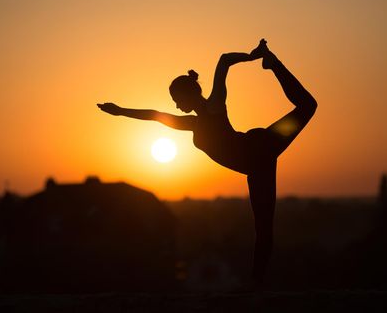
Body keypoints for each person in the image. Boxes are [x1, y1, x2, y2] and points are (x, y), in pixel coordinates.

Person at [98, 39, 317, 284]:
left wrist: (253, 56)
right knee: (262, 227)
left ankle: (272, 62)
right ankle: (255, 286)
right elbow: (154, 116)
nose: (176, 105)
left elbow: (224, 60)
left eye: (177, 99)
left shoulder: (214, 105)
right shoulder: (193, 124)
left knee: (308, 105)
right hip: (256, 164)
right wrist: (120, 111)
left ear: (190, 94)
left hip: (262, 147)